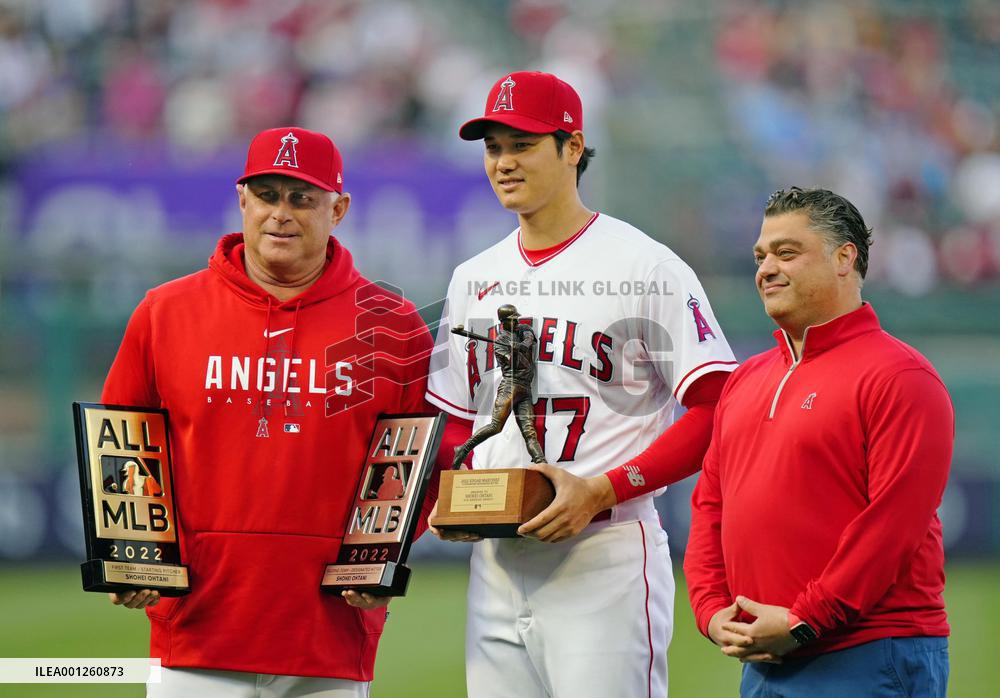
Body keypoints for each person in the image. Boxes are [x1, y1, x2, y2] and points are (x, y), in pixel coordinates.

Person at [425, 71, 737, 697]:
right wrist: (446, 494)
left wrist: (603, 489)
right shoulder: (472, 276)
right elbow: (456, 419)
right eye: (492, 147)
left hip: (606, 553)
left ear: (573, 148)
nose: (503, 163)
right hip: (496, 561)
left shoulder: (643, 264)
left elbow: (716, 409)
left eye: (523, 144)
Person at [101, 127, 434, 697]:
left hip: (328, 636)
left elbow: (420, 463)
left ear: (338, 209)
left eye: (302, 197)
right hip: (196, 636)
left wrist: (386, 560)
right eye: (268, 194)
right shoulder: (164, 312)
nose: (282, 213)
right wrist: (128, 556)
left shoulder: (393, 324)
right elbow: (121, 446)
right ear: (242, 200)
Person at [684, 187, 952, 697]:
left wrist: (806, 621)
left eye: (787, 253)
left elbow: (892, 528)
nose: (766, 269)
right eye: (760, 256)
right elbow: (710, 506)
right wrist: (711, 610)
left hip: (869, 652)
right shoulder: (746, 380)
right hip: (764, 658)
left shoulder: (901, 376)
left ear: (844, 258)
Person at [451, 304, 546, 467]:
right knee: (496, 426)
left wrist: (520, 345)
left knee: (529, 431)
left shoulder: (522, 328)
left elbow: (530, 339)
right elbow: (516, 363)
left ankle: (543, 465)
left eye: (516, 318)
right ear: (503, 322)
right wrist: (514, 350)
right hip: (511, 386)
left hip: (525, 389)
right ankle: (463, 449)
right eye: (511, 320)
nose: (516, 322)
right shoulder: (500, 342)